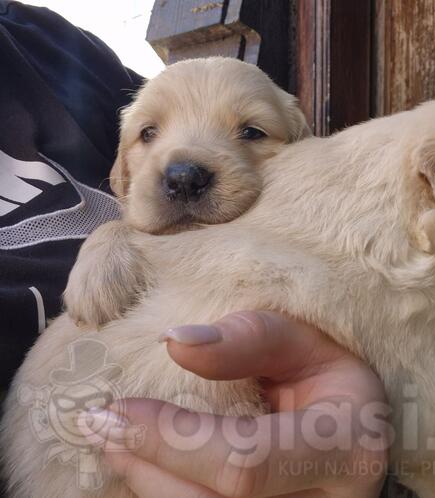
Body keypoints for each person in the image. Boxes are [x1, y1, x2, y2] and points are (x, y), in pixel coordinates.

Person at [0, 2, 390, 497]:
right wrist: (110, 236)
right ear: (121, 170)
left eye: (251, 132)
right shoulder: (124, 226)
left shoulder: (51, 49)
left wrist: (344, 394)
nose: (183, 172)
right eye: (148, 134)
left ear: (305, 151)